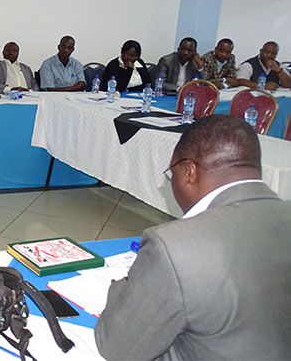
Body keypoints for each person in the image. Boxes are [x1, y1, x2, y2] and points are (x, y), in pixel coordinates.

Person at [95, 114, 291, 360]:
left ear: (189, 171)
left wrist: (120, 288)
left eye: (172, 174)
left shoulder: (174, 246)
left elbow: (116, 348)